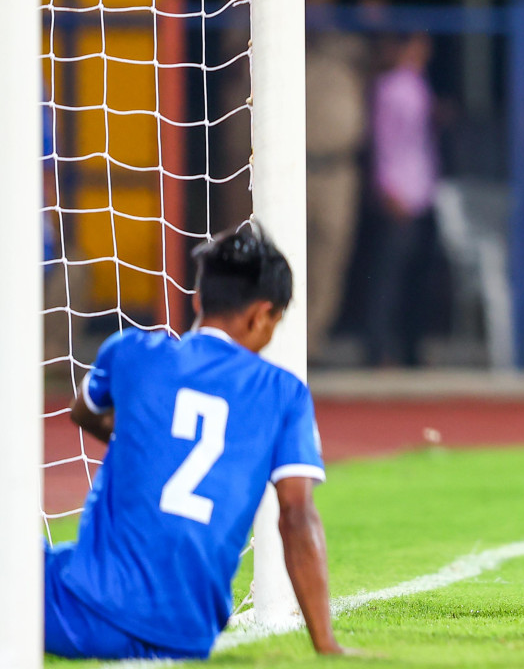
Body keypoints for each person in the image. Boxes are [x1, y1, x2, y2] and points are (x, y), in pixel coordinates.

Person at [45, 223, 341, 660]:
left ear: (199, 298)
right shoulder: (285, 394)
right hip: (187, 636)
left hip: (85, 611)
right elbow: (296, 514)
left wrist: (143, 438)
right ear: (262, 315)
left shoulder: (131, 353)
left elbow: (81, 411)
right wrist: (326, 646)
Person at [363, 32, 439, 366]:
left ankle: (410, 350)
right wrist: (387, 186)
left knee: (416, 279)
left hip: (422, 191)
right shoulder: (392, 87)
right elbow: (383, 141)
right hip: (400, 192)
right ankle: (379, 349)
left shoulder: (417, 84)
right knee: (388, 280)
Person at [305, 28, 370, 361]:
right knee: (286, 256)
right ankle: (281, 338)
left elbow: (370, 48)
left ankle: (313, 341)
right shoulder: (281, 54)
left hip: (338, 171)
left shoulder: (345, 53)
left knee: (330, 258)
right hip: (297, 169)